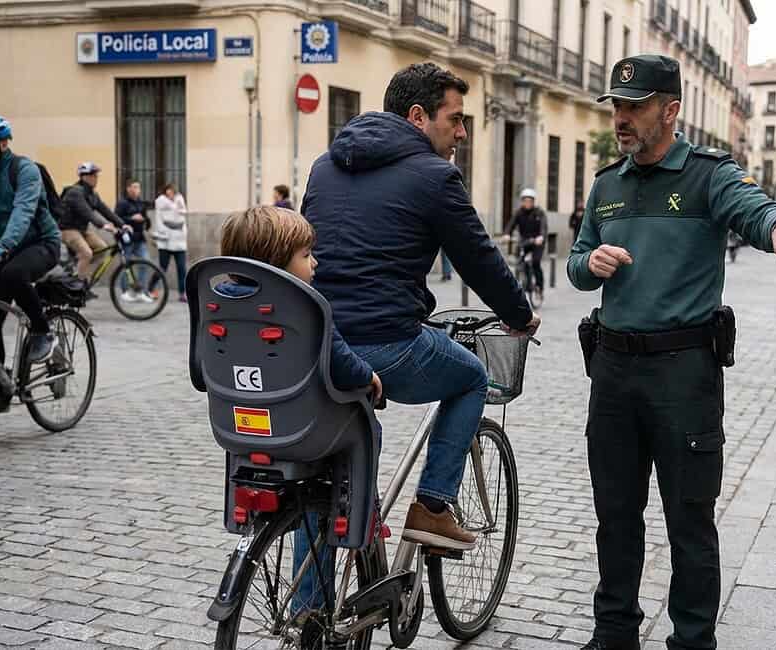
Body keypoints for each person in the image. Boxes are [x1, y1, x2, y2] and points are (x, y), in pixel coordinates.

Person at [568, 55, 776, 650]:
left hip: (683, 376)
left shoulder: (708, 175)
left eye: (635, 106)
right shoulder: (607, 184)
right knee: (615, 514)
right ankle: (614, 634)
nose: (622, 118)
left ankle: (691, 641)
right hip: (612, 372)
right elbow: (578, 261)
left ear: (671, 110)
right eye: (617, 106)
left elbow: (752, 208)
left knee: (689, 518)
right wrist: (590, 263)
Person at [302, 62, 540, 550]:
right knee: (472, 376)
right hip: (385, 343)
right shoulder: (435, 176)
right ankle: (432, 508)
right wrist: (519, 315)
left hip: (318, 344)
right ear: (417, 116)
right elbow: (478, 258)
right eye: (455, 119)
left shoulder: (325, 165)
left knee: (324, 483)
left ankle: (312, 597)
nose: (462, 133)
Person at [215, 205, 383, 617]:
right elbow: (344, 366)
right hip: (304, 430)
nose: (315, 263)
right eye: (307, 255)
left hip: (240, 427)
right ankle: (357, 515)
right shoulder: (306, 306)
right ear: (277, 262)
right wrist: (370, 378)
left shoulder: (217, 302)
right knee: (366, 425)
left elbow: (202, 374)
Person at [0, 116, 62, 375]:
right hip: (6, 250)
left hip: (41, 243)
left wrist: (3, 246)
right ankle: (2, 381)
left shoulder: (24, 170)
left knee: (12, 274)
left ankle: (42, 330)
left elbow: (22, 211)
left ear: (3, 143)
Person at [59, 162, 126, 283]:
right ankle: (77, 285)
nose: (96, 178)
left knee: (102, 248)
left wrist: (122, 224)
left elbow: (105, 210)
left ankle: (78, 270)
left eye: (96, 176)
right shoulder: (75, 192)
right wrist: (103, 225)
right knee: (86, 253)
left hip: (82, 229)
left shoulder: (92, 194)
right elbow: (87, 212)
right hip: (67, 229)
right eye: (93, 176)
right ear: (84, 177)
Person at [114, 179, 153, 303]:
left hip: (139, 239)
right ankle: (126, 292)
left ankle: (140, 291)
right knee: (126, 266)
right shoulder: (122, 203)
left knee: (145, 262)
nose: (137, 190)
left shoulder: (140, 203)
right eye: (134, 187)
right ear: (128, 189)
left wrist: (145, 221)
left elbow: (146, 219)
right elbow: (116, 218)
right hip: (126, 239)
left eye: (138, 187)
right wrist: (131, 218)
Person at [505, 188, 548, 296]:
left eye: (530, 201)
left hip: (537, 242)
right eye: (525, 201)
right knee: (520, 260)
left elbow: (543, 227)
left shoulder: (539, 212)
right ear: (522, 201)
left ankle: (539, 287)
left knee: (535, 262)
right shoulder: (519, 212)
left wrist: (541, 237)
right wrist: (507, 234)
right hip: (524, 241)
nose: (527, 203)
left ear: (533, 202)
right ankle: (525, 280)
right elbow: (511, 224)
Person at [153, 183, 188, 302]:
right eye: (168, 190)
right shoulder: (160, 202)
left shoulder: (180, 200)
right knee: (162, 268)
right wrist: (162, 234)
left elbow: (183, 215)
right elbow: (159, 219)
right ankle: (152, 288)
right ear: (165, 191)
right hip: (165, 241)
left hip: (179, 241)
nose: (170, 193)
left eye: (172, 191)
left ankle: (182, 293)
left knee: (182, 268)